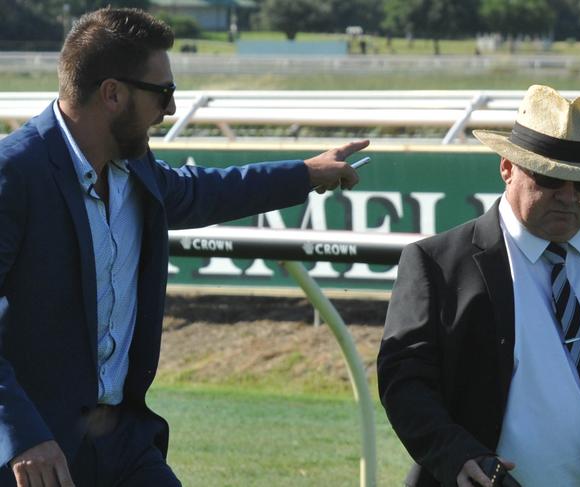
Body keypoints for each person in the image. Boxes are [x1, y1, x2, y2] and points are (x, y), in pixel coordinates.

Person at [0, 7, 368, 487]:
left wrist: (304, 174)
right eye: (164, 93)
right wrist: (20, 435)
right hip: (34, 452)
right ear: (112, 94)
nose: (171, 110)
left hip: (123, 443)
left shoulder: (132, 164)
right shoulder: (14, 175)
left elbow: (201, 191)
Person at [377, 84, 580, 487]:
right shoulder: (437, 264)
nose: (568, 196)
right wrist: (455, 453)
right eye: (550, 178)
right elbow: (405, 382)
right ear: (507, 168)